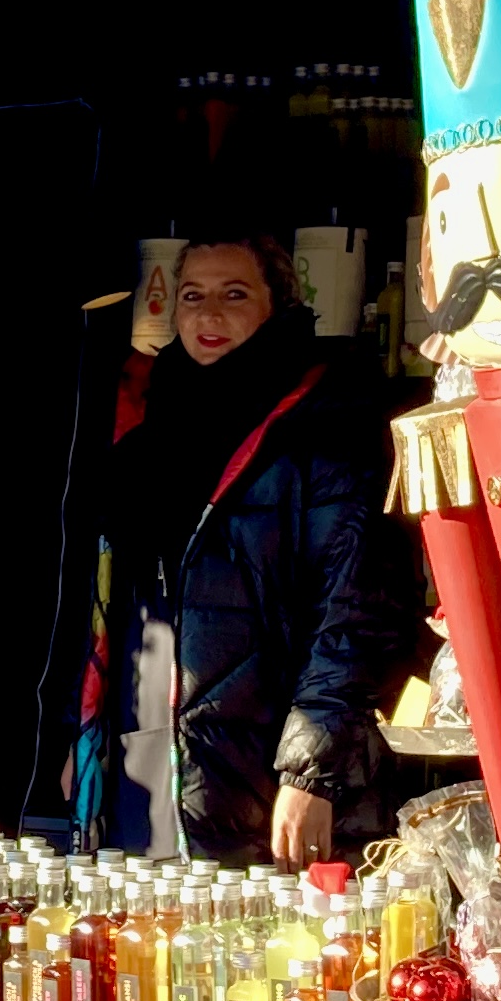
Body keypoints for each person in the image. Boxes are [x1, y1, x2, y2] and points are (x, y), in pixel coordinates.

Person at [71, 228, 420, 863]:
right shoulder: (151, 428)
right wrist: (87, 748)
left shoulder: (329, 426)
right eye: (192, 295)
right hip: (154, 768)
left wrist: (312, 773)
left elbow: (359, 614)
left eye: (234, 294)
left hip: (273, 773)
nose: (209, 314)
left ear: (278, 306)